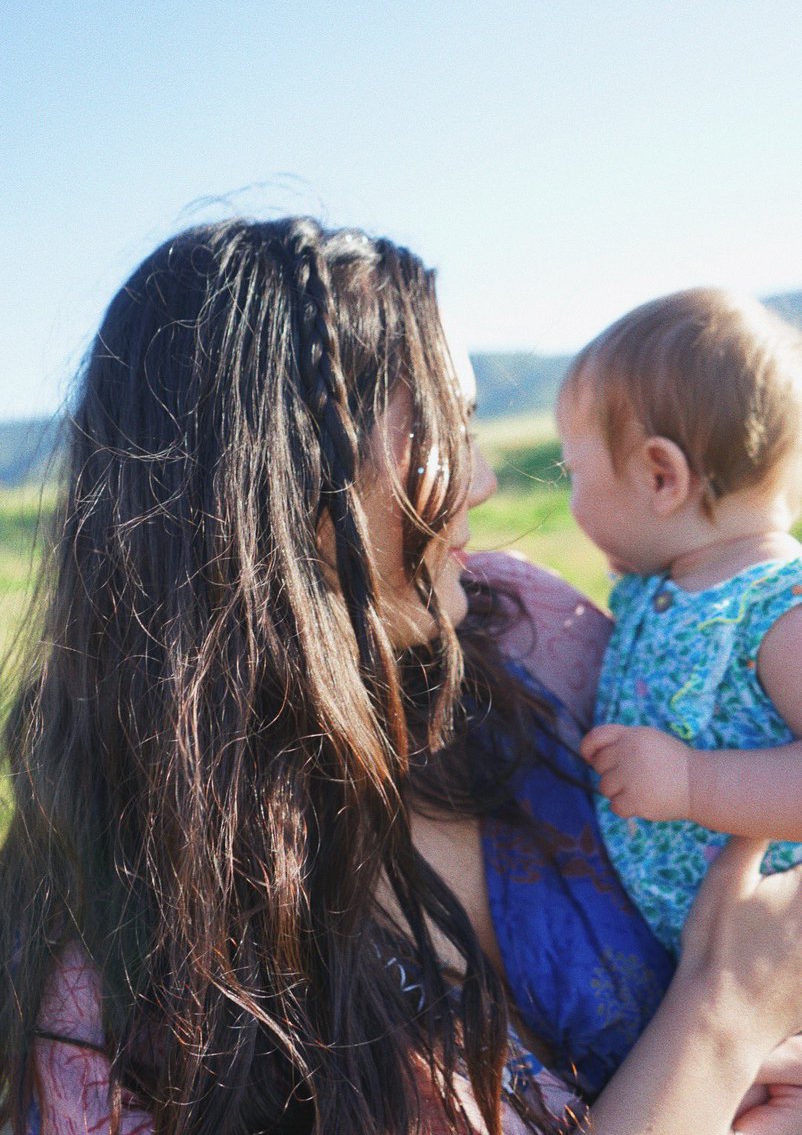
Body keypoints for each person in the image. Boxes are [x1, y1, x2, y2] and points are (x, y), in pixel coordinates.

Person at [3, 224, 802, 1135]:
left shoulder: (520, 633)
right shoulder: (110, 1002)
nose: (489, 478)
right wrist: (723, 1020)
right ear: (280, 471)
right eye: (441, 426)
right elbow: (743, 992)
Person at [554, 287, 802, 956]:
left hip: (773, 960)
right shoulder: (655, 591)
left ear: (662, 476)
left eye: (571, 470)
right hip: (686, 960)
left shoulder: (780, 608)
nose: (570, 497)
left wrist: (694, 782)